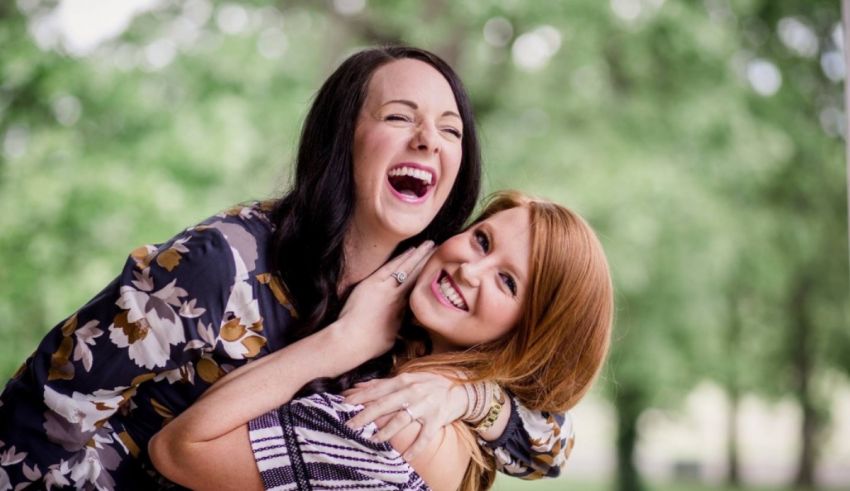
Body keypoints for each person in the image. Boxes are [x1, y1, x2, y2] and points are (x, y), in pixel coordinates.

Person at [0, 47, 571, 489]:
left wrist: (466, 398)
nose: (428, 140)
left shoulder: (436, 283)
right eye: (401, 117)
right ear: (340, 139)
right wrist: (341, 342)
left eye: (451, 130)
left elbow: (553, 444)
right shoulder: (219, 264)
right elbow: (45, 409)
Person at [149, 191, 613, 491]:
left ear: (529, 336)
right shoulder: (431, 394)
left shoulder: (394, 422)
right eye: (482, 241)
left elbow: (179, 449)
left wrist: (340, 342)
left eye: (508, 283)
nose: (470, 271)